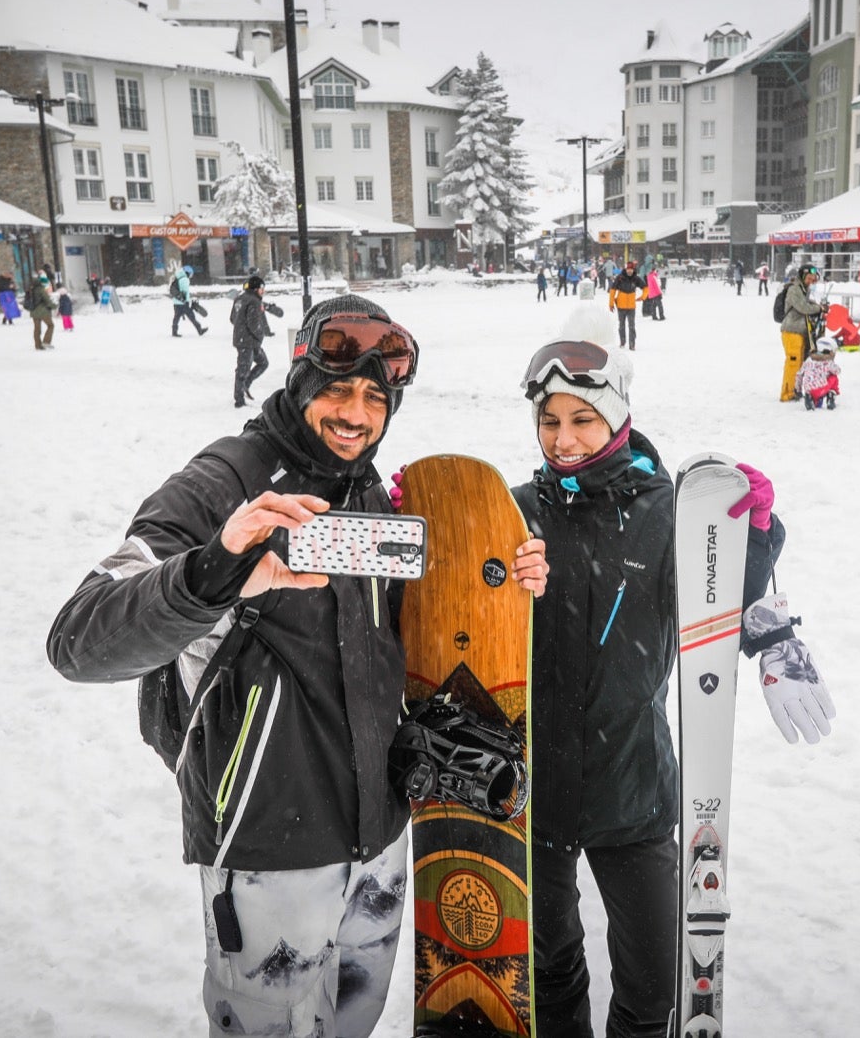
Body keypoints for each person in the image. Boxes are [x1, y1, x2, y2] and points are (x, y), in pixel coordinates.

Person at [48, 293, 548, 1038]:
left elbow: (397, 638)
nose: (356, 414)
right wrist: (215, 569)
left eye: (376, 398)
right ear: (302, 380)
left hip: (378, 845)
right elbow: (78, 638)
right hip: (268, 854)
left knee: (353, 1023)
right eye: (338, 390)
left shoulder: (368, 489)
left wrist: (500, 580)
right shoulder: (227, 477)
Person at [513, 333, 832, 1038]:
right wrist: (437, 520)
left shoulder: (669, 514)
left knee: (655, 984)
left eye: (582, 419)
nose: (563, 439)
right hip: (534, 794)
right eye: (549, 420)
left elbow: (720, 604)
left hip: (634, 789)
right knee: (548, 970)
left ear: (617, 417)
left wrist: (750, 538)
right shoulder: (515, 510)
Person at [779, 265, 828, 402]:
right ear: (802, 276)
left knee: (799, 363)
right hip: (792, 330)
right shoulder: (794, 289)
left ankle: (795, 390)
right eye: (809, 279)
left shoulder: (803, 290)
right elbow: (803, 307)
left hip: (800, 332)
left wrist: (820, 307)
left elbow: (808, 304)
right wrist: (819, 308)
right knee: (793, 363)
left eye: (813, 280)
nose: (811, 282)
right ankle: (787, 393)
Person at [230, 274, 275, 408]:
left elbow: (232, 318)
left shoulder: (239, 298)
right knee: (243, 369)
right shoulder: (254, 301)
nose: (263, 291)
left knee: (263, 363)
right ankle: (239, 400)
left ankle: (245, 385)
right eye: (262, 288)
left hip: (245, 340)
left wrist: (241, 327)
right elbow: (253, 323)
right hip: (247, 341)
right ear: (256, 289)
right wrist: (260, 334)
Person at [797, 335, 841, 410]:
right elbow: (837, 371)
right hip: (820, 388)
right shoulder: (827, 362)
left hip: (809, 389)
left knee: (817, 403)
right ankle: (831, 395)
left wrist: (798, 389)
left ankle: (809, 397)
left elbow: (799, 374)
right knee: (834, 377)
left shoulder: (808, 360)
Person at [609, 261, 644, 350]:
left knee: (632, 326)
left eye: (631, 269)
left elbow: (645, 287)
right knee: (621, 326)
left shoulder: (636, 279)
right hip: (621, 306)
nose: (629, 271)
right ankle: (622, 342)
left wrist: (643, 297)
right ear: (626, 269)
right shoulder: (620, 278)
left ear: (633, 270)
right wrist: (611, 304)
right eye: (628, 269)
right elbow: (612, 290)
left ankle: (632, 344)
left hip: (631, 307)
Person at [172, 265, 208, 337]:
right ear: (188, 273)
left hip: (176, 302)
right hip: (183, 303)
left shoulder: (178, 277)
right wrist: (188, 301)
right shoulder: (185, 279)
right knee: (192, 317)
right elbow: (185, 292)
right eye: (191, 274)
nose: (191, 276)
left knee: (176, 317)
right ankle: (199, 330)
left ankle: (174, 331)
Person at [26, 273, 56, 351]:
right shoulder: (41, 289)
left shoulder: (30, 289)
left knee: (37, 329)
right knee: (51, 325)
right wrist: (54, 306)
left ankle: (38, 345)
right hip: (42, 311)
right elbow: (47, 300)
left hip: (33, 311)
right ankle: (46, 341)